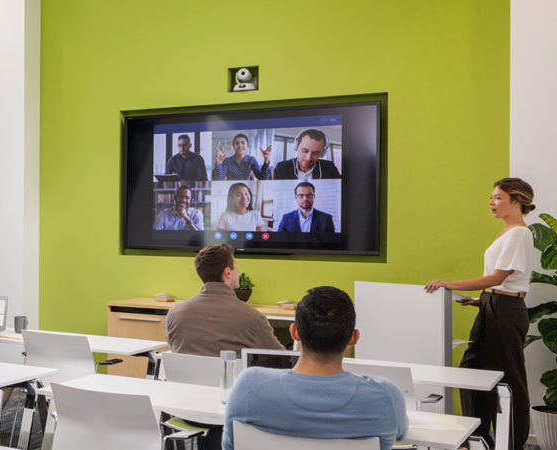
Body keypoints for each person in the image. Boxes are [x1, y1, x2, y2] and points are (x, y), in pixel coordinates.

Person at [424, 177, 538, 449]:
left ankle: (511, 442)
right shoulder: (506, 232)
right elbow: (499, 283)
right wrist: (482, 300)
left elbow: (497, 277)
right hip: (494, 305)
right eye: (492, 197)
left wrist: (450, 284)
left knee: (508, 379)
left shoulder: (520, 232)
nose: (491, 202)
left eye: (498, 197)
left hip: (506, 310)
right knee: (471, 372)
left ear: (517, 201)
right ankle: (479, 437)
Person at [224, 286, 406, 450]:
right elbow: (400, 434)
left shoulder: (248, 386)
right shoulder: (386, 396)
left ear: (294, 332)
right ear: (353, 337)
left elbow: (230, 446)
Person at [165, 244, 282, 357]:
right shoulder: (253, 317)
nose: (238, 271)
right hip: (232, 377)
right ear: (228, 272)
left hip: (185, 377)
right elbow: (282, 360)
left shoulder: (174, 314)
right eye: (235, 265)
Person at [265, 129, 341, 180]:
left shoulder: (330, 168)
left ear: (322, 153)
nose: (308, 158)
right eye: (305, 151)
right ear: (296, 147)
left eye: (315, 153)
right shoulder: (282, 168)